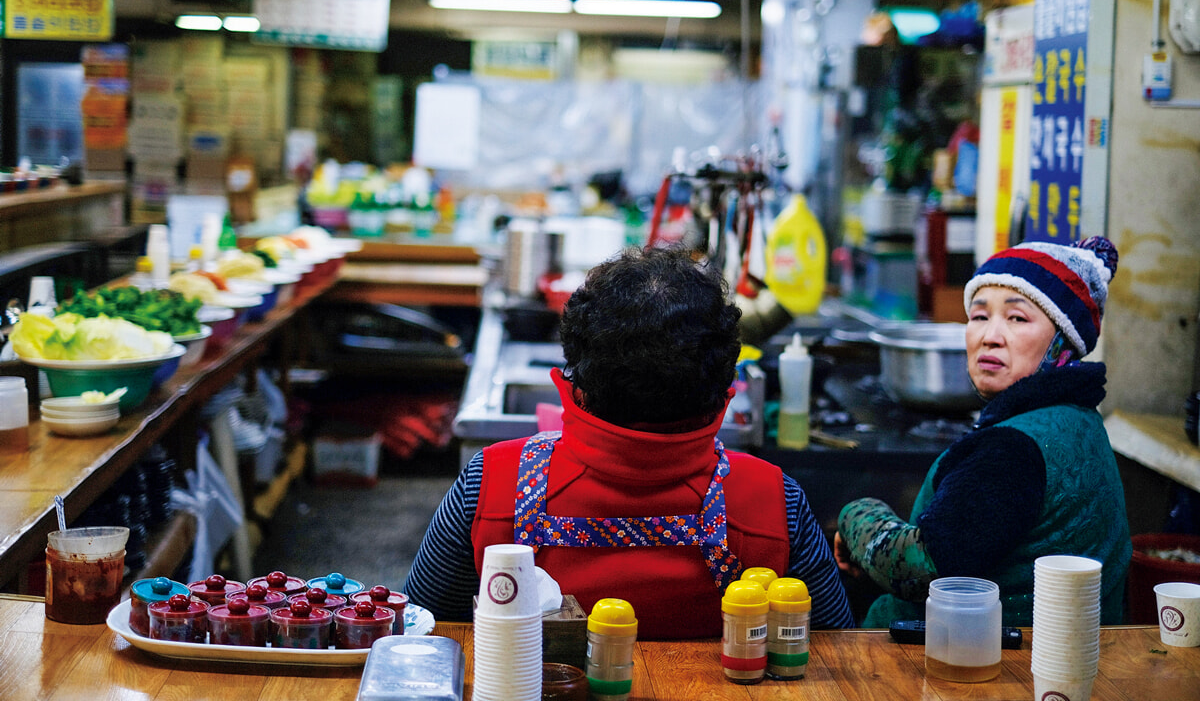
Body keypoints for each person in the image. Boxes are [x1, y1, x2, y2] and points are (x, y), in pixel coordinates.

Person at [404, 246, 854, 638]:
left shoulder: (489, 484)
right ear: (722, 391)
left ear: (576, 382)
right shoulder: (775, 502)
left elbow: (419, 635)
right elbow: (839, 653)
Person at [835, 236, 1131, 627]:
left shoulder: (1012, 450)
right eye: (979, 316)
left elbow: (920, 568)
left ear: (1063, 339)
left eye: (1017, 318)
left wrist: (856, 515)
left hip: (976, 657)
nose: (990, 335)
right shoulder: (1079, 419)